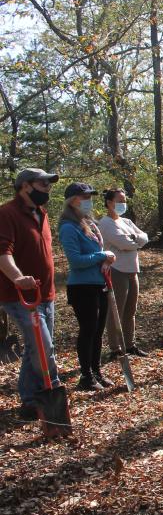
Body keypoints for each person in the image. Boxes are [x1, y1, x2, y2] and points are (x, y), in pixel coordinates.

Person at [0, 169, 63, 418]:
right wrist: (17, 277)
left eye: (49, 183)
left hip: (45, 293)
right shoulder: (6, 214)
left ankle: (28, 399)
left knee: (34, 347)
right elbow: (3, 253)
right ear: (25, 186)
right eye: (42, 183)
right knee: (42, 346)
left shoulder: (41, 213)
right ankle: (53, 387)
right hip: (19, 295)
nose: (47, 187)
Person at [59, 182, 117, 390]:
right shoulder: (68, 226)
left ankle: (96, 371)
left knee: (98, 331)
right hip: (82, 287)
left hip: (99, 283)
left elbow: (96, 253)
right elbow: (75, 260)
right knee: (88, 330)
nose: (89, 201)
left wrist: (106, 261)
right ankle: (86, 376)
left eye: (90, 196)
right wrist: (102, 255)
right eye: (85, 197)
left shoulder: (89, 223)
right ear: (73, 200)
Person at [98, 188, 150, 358]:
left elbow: (145, 237)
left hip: (132, 269)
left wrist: (134, 239)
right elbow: (124, 243)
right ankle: (115, 348)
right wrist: (135, 240)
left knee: (130, 311)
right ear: (109, 202)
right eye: (119, 201)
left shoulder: (126, 222)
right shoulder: (105, 223)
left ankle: (130, 345)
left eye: (124, 201)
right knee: (116, 311)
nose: (122, 204)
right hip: (116, 270)